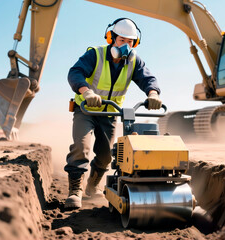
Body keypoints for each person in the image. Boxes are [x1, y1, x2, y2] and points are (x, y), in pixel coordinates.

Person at [64, 18, 162, 208]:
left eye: (130, 42)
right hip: (86, 110)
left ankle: (92, 187)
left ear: (135, 43)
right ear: (112, 38)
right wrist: (87, 92)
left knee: (106, 155)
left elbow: (147, 78)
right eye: (122, 40)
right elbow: (75, 73)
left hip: (109, 114)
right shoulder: (96, 54)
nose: (126, 46)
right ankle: (75, 190)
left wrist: (153, 94)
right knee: (81, 146)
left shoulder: (134, 61)